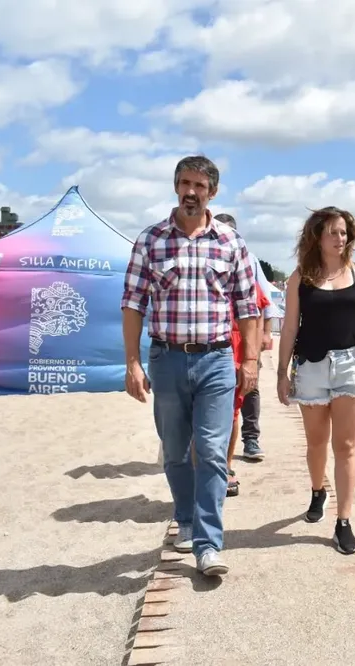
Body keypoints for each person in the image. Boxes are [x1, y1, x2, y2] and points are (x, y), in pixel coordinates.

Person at [121, 155, 258, 577]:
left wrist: (249, 359)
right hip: (166, 358)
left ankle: (208, 543)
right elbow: (132, 303)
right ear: (175, 186)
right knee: (176, 452)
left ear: (212, 191)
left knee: (214, 451)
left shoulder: (231, 242)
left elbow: (248, 306)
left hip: (216, 359)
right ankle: (185, 518)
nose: (191, 192)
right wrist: (132, 362)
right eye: (184, 183)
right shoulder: (150, 240)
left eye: (199, 185)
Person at [276, 206, 355, 555]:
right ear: (317, 237)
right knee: (316, 444)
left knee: (346, 446)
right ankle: (318, 490)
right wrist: (282, 372)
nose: (340, 239)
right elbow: (290, 326)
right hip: (311, 367)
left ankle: (343, 521)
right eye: (332, 233)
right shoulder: (300, 278)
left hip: (352, 364)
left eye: (344, 233)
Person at [213, 213, 281, 465]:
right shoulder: (200, 254)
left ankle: (249, 440)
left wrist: (264, 334)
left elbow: (263, 301)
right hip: (215, 341)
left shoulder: (248, 260)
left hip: (244, 340)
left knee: (248, 390)